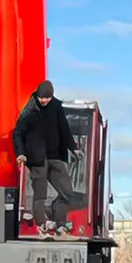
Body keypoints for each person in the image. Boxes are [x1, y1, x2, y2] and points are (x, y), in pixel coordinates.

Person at [12, 80, 83, 237]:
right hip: (37, 157)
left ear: (51, 97)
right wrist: (21, 153)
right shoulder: (31, 109)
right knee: (40, 193)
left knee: (67, 192)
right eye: (41, 97)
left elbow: (64, 128)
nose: (43, 101)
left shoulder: (57, 107)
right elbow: (18, 132)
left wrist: (74, 148)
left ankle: (60, 225)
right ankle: (41, 224)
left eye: (46, 98)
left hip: (56, 156)